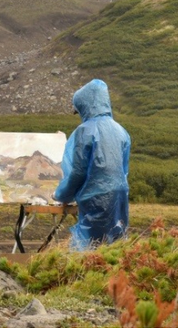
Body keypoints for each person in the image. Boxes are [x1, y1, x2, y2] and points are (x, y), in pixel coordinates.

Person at [53, 78, 131, 250]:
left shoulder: (85, 131)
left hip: (95, 200)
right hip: (120, 198)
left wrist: (61, 195)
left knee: (89, 250)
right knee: (115, 247)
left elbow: (77, 172)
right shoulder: (121, 130)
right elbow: (123, 170)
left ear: (85, 105)